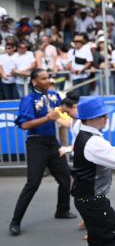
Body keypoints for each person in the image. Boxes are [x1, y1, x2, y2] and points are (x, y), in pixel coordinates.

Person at [9, 69, 77, 236]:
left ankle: (62, 210)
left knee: (65, 178)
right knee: (33, 183)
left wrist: (69, 112)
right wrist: (48, 118)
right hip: (36, 143)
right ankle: (15, 221)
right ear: (34, 82)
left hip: (52, 142)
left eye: (49, 77)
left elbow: (63, 114)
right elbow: (24, 125)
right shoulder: (28, 99)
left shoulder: (54, 95)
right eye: (44, 78)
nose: (48, 80)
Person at [71, 96, 115, 246]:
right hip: (92, 201)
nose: (106, 118)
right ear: (90, 119)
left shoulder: (81, 129)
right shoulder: (93, 142)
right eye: (102, 115)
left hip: (86, 199)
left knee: (99, 240)